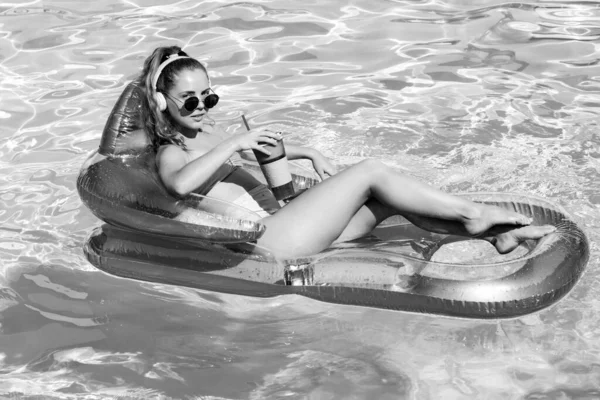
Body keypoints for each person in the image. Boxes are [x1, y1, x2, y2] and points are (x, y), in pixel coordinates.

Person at [137, 45, 555, 258]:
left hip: (287, 225)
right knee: (370, 170)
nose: (201, 108)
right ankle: (474, 214)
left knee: (385, 198)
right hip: (270, 241)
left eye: (208, 98)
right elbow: (178, 185)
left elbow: (247, 159)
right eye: (189, 100)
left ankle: (498, 237)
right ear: (160, 103)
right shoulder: (170, 150)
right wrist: (235, 141)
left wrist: (306, 152)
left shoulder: (207, 139)